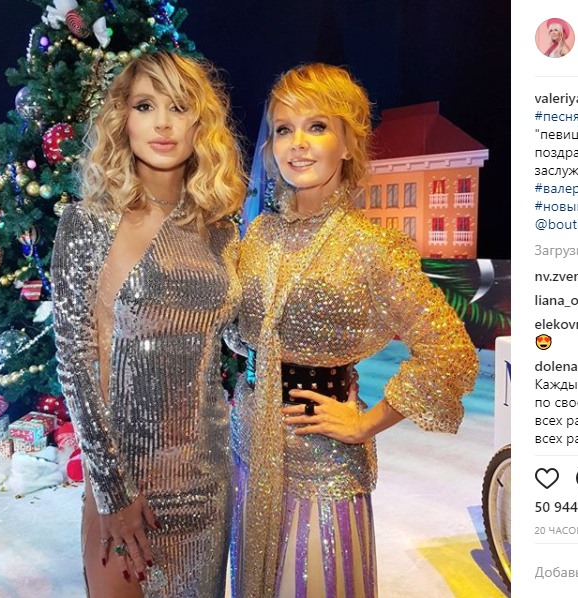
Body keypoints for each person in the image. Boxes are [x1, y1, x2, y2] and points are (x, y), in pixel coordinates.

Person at [229, 63, 479, 598]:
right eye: (284, 129)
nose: (298, 143)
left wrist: (367, 423)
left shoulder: (372, 246)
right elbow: (235, 333)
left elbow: (449, 353)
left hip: (321, 460)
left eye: (317, 126)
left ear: (348, 144)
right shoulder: (258, 234)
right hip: (248, 448)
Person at [51, 51, 245, 597]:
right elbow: (75, 365)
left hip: (207, 478)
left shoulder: (221, 233)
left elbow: (238, 338)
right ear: (124, 119)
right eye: (145, 106)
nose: (162, 123)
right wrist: (113, 492)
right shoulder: (87, 223)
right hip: (125, 483)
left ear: (200, 124)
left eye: (178, 107)